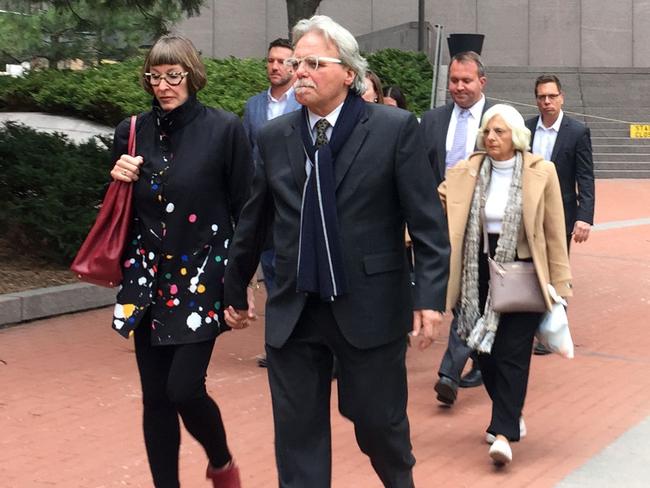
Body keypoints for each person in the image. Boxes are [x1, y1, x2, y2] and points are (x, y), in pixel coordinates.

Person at [223, 15, 450, 488]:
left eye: (313, 63)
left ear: (349, 73)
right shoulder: (275, 135)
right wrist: (234, 286)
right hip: (295, 307)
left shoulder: (393, 129)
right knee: (297, 437)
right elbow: (255, 219)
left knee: (377, 425)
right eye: (295, 62)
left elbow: (427, 223)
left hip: (368, 305)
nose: (298, 71)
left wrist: (429, 297)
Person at [109, 34, 254, 488]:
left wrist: (240, 284)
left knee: (183, 389)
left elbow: (245, 210)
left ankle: (221, 461)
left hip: (201, 279)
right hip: (147, 279)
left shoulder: (224, 129)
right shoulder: (131, 132)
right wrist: (117, 177)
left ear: (192, 75)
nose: (164, 85)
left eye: (174, 75)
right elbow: (118, 212)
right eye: (155, 76)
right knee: (155, 398)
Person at [438, 103, 572, 465]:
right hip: (476, 272)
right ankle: (510, 414)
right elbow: (440, 202)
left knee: (513, 353)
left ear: (517, 136)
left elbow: (554, 231)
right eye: (487, 131)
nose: (491, 138)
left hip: (522, 271)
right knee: (486, 354)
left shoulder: (541, 172)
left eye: (499, 131)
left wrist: (561, 283)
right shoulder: (468, 170)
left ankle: (502, 434)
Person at [420, 51, 492, 406]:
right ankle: (478, 355)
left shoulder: (499, 122)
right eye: (453, 80)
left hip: (481, 224)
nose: (458, 87)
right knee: (453, 289)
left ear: (482, 81)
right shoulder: (432, 121)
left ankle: (450, 371)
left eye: (466, 80)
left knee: (469, 292)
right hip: (438, 220)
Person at [525, 74, 595, 355]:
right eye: (542, 97)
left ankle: (551, 330)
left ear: (561, 97)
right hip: (529, 215)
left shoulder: (577, 131)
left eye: (551, 96)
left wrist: (584, 217)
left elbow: (585, 177)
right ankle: (531, 325)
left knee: (556, 271)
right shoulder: (526, 128)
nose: (546, 102)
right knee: (529, 270)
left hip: (562, 215)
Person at [242, 37, 301, 368]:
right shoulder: (253, 107)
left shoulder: (304, 103)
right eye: (271, 61)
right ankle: (277, 344)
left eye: (282, 61)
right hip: (264, 204)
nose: (275, 66)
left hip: (295, 202)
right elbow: (247, 153)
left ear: (294, 66)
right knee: (272, 274)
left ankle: (299, 341)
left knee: (293, 273)